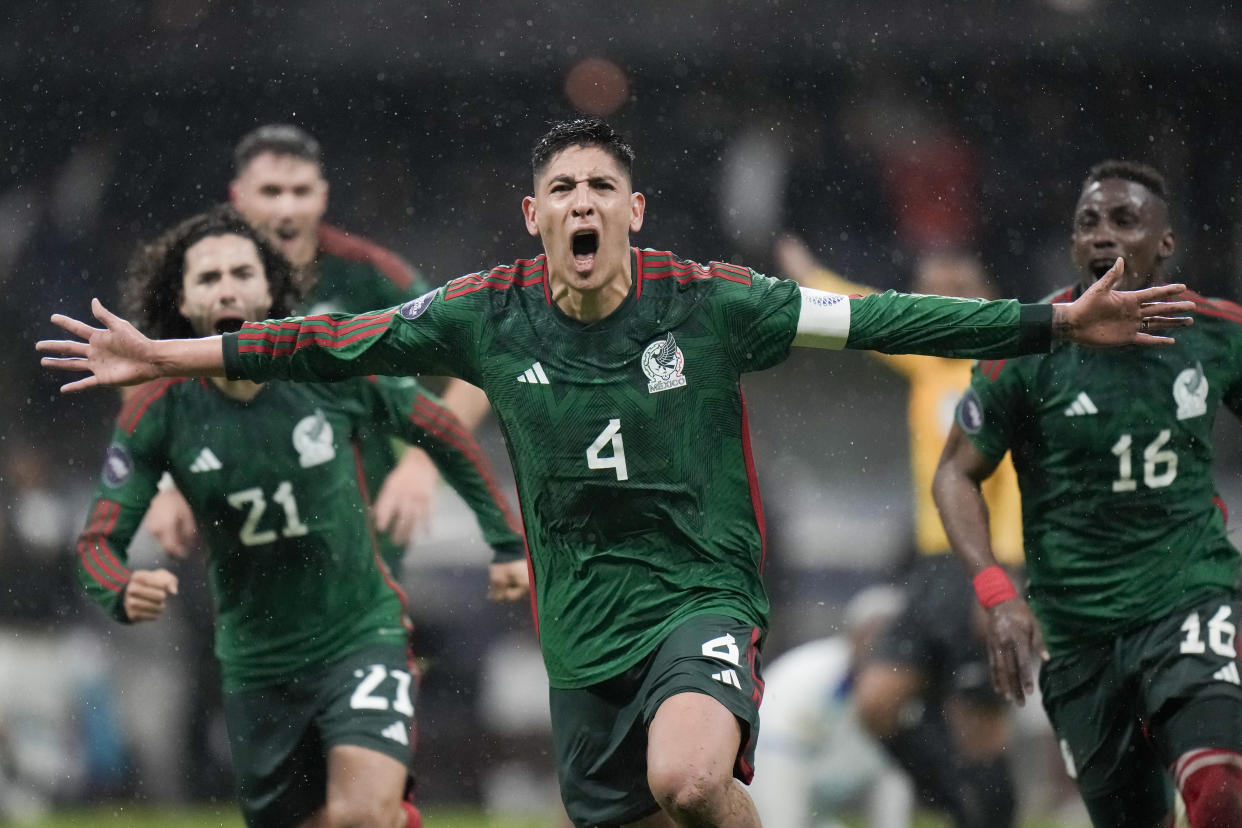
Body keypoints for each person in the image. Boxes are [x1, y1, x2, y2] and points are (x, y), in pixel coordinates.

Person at [39, 118, 1194, 828]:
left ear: (631, 212)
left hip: (698, 598)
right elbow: (327, 342)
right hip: (579, 630)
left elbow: (889, 312)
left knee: (692, 780)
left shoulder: (715, 301)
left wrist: (1048, 322)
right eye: (565, 192)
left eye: (603, 190)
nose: (583, 206)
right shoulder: (482, 315)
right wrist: (167, 352)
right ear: (533, 214)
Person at [73, 205, 527, 828]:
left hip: (360, 637)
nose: (227, 286)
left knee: (361, 816)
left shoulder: (324, 368)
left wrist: (505, 540)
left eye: (241, 271)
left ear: (272, 288)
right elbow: (98, 540)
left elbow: (442, 428)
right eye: (208, 278)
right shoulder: (158, 411)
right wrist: (121, 590)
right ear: (179, 301)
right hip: (256, 665)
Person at [932, 160, 1242, 828]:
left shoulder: (1218, 333)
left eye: (1124, 220)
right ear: (1073, 244)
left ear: (1165, 243)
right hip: (1076, 632)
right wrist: (997, 595)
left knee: (1221, 795)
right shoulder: (1026, 348)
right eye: (1089, 222)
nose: (1103, 234)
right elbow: (955, 473)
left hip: (1186, 599)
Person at [142, 124, 493, 576]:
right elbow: (148, 370)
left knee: (372, 641)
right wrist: (164, 482)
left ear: (322, 197)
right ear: (238, 197)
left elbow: (474, 360)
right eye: (271, 191)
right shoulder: (200, 278)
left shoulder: (370, 278)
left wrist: (425, 462)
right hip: (236, 516)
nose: (287, 207)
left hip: (355, 518)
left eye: (300, 191)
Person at [775, 235, 1023, 827]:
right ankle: (960, 802)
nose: (940, 300)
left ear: (982, 293)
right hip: (932, 564)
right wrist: (810, 272)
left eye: (955, 288)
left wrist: (1004, 578)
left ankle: (982, 811)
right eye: (930, 291)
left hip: (986, 563)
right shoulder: (926, 359)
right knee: (877, 702)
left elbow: (1015, 483)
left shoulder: (1008, 365)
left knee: (980, 728)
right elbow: (858, 314)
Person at [748, 584, 914, 828]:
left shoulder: (906, 686)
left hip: (821, 802)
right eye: (874, 633)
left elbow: (891, 775)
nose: (879, 645)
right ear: (855, 635)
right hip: (765, 782)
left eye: (891, 636)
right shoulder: (804, 676)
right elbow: (778, 772)